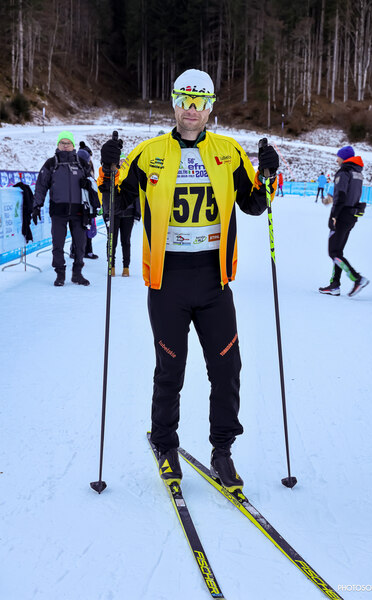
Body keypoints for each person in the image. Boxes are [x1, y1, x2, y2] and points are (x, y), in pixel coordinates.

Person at [99, 69, 279, 492]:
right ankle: (165, 445)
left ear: (211, 107)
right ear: (174, 103)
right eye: (185, 100)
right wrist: (108, 169)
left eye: (201, 102)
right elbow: (113, 205)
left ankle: (222, 450)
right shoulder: (149, 154)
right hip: (168, 282)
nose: (192, 110)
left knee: (227, 368)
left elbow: (255, 203)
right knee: (170, 371)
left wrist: (268, 174)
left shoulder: (228, 152)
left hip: (214, 281)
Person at [32, 130, 93, 286]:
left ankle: (77, 274)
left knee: (80, 245)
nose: (65, 145)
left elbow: (93, 185)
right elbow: (41, 185)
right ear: (58, 144)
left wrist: (88, 185)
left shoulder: (81, 163)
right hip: (58, 212)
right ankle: (60, 274)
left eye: (68, 143)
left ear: (73, 145)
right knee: (57, 245)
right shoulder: (51, 163)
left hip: (79, 212)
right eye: (62, 143)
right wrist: (37, 205)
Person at [319, 145, 369, 297]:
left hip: (342, 215)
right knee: (338, 251)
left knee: (333, 252)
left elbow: (341, 195)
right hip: (352, 215)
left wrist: (333, 215)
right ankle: (335, 285)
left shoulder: (344, 172)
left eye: (338, 157)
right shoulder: (357, 172)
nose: (337, 160)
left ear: (344, 158)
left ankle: (357, 278)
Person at [98, 153, 140, 276]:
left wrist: (137, 213)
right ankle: (111, 266)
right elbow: (105, 196)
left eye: (124, 161)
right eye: (120, 160)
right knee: (112, 241)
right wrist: (106, 213)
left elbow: (136, 195)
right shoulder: (109, 175)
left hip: (128, 213)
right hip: (113, 213)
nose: (122, 163)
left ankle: (126, 267)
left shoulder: (131, 175)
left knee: (126, 241)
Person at [69, 144, 99, 260]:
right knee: (77, 228)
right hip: (77, 203)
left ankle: (87, 250)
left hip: (87, 202)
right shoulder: (74, 169)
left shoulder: (88, 167)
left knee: (88, 226)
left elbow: (92, 183)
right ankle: (75, 250)